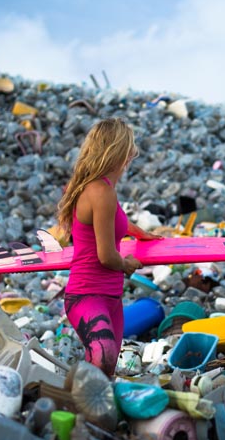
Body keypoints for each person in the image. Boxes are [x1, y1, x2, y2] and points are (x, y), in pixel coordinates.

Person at [57, 118, 160, 376]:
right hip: (87, 294)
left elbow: (115, 221)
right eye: (130, 151)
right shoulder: (101, 191)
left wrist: (141, 233)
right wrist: (128, 265)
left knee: (106, 368)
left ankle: (91, 412)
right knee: (103, 355)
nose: (131, 159)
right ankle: (74, 408)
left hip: (110, 298)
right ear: (120, 152)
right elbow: (107, 257)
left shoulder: (102, 188)